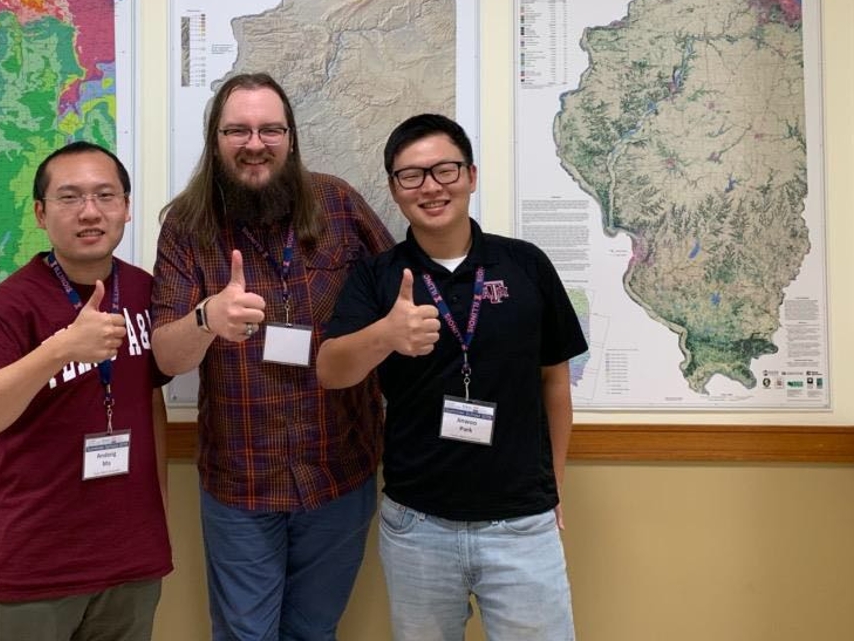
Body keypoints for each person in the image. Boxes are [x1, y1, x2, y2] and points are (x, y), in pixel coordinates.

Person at [318, 113, 585, 641]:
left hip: (521, 525)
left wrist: (552, 486)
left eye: (445, 169)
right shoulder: (378, 276)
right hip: (418, 525)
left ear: (471, 175)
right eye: (411, 175)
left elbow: (555, 381)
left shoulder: (525, 265)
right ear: (395, 190)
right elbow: (330, 370)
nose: (431, 187)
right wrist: (386, 335)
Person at [151, 72, 393, 641]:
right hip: (243, 481)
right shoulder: (186, 226)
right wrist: (207, 317)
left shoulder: (338, 205)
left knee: (315, 632)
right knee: (245, 637)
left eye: (269, 130)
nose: (254, 144)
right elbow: (165, 354)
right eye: (237, 130)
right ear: (215, 141)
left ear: (291, 137)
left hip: (339, 470)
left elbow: (399, 299)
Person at [0, 141, 172, 641]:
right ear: (40, 212)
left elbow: (151, 401)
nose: (90, 212)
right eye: (70, 198)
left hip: (131, 559)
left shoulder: (144, 291)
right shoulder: (10, 305)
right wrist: (60, 349)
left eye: (105, 196)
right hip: (37, 564)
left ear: (126, 207)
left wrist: (156, 515)